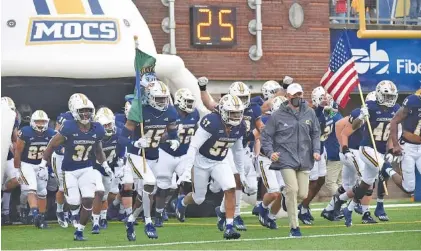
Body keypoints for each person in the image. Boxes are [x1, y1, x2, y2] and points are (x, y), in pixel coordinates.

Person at [175, 94, 247, 240]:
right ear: (224, 112)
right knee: (198, 198)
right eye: (232, 113)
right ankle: (182, 202)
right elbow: (193, 146)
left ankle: (229, 226)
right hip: (201, 161)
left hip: (220, 160)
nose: (236, 116)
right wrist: (187, 171)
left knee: (230, 187)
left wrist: (242, 173)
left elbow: (238, 151)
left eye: (238, 113)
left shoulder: (240, 126)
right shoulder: (212, 121)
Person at [41, 95, 111, 240]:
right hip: (69, 171)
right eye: (82, 110)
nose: (86, 114)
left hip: (87, 168)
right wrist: (42, 164)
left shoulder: (97, 128)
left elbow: (98, 149)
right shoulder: (68, 126)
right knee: (74, 202)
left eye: (88, 110)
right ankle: (69, 213)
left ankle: (79, 230)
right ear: (74, 111)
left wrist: (105, 164)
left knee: (88, 199)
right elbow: (52, 145)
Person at [118, 80, 179, 240]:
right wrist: (135, 142)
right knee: (149, 183)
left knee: (146, 192)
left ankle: (130, 220)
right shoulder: (139, 112)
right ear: (150, 97)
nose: (163, 102)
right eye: (159, 98)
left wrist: (173, 140)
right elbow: (122, 138)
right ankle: (148, 222)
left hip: (153, 156)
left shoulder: (170, 112)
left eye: (165, 98)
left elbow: (172, 133)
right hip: (137, 155)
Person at [261, 83, 321, 237]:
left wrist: (316, 150)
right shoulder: (277, 115)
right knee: (292, 190)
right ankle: (294, 227)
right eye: (294, 95)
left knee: (302, 194)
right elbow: (266, 136)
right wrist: (270, 153)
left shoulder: (310, 112)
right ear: (288, 96)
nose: (297, 97)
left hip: (305, 158)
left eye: (299, 94)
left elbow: (315, 133)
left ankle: (286, 201)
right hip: (285, 158)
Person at [343, 80, 400, 227]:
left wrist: (393, 147)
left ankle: (348, 209)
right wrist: (361, 117)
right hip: (367, 148)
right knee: (381, 167)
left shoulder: (397, 109)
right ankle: (390, 170)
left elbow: (395, 130)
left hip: (380, 151)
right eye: (386, 96)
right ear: (379, 95)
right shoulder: (370, 107)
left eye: (391, 97)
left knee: (366, 184)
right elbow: (355, 126)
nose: (389, 100)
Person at [154, 88, 200, 227]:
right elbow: (158, 136)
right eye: (188, 101)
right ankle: (159, 212)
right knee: (163, 186)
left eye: (191, 102)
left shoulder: (195, 114)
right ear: (179, 101)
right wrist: (171, 134)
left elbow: (196, 130)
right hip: (166, 152)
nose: (190, 104)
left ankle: (180, 204)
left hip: (184, 154)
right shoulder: (169, 112)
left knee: (190, 180)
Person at [13, 110, 55, 229]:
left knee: (42, 192)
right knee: (31, 188)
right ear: (32, 122)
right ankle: (35, 214)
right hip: (27, 164)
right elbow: (18, 151)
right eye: (38, 121)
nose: (40, 124)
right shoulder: (26, 132)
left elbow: (52, 153)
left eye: (43, 122)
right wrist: (17, 168)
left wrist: (49, 167)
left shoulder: (51, 133)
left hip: (41, 164)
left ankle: (41, 217)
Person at [298, 87, 333, 225]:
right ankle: (302, 209)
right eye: (323, 100)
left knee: (321, 180)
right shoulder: (309, 112)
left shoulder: (326, 112)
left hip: (321, 148)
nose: (326, 103)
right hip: (310, 150)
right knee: (311, 181)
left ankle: (304, 206)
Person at [53, 93, 86, 228]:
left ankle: (73, 214)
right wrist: (62, 148)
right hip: (61, 156)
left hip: (77, 155)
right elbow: (56, 135)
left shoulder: (87, 117)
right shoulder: (65, 117)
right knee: (63, 187)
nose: (84, 112)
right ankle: (60, 211)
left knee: (76, 186)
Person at [256, 96, 288, 230]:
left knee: (284, 192)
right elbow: (255, 136)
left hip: (281, 160)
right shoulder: (265, 120)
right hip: (266, 159)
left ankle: (271, 217)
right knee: (274, 192)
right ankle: (262, 208)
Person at [91, 107, 124, 233]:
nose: (108, 127)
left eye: (109, 124)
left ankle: (103, 218)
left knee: (104, 195)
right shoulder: (94, 135)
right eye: (105, 125)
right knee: (99, 191)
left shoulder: (118, 133)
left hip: (109, 168)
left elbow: (121, 152)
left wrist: (121, 165)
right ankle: (95, 222)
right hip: (95, 167)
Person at [382, 90, 421, 195]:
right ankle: (387, 169)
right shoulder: (412, 101)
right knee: (409, 188)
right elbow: (394, 121)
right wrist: (395, 145)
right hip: (408, 148)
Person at [1, 97, 20, 225]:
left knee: (17, 179)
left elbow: (14, 139)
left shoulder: (14, 121)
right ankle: (5, 214)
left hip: (7, 157)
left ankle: (6, 210)